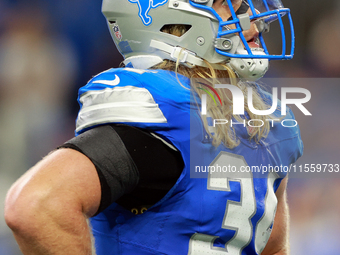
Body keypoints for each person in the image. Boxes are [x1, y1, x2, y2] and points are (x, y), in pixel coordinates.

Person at [4, 0, 303, 254]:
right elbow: (36, 206)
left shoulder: (263, 119)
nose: (253, 20)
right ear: (176, 22)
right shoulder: (159, 112)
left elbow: (271, 247)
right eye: (231, 6)